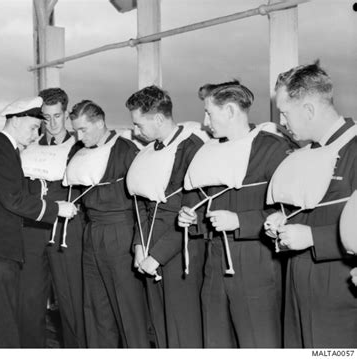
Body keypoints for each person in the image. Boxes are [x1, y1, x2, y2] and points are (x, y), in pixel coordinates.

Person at [177, 81, 296, 348]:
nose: (205, 121)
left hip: (255, 258)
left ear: (230, 111)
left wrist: (241, 221)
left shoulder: (272, 148)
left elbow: (292, 210)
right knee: (215, 337)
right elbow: (200, 200)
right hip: (214, 256)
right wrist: (191, 218)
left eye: (209, 113)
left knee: (259, 339)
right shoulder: (208, 151)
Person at [0, 96, 78, 348]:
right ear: (15, 121)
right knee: (0, 325)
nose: (36, 135)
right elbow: (13, 199)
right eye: (33, 127)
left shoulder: (3, 149)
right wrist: (57, 208)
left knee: (1, 322)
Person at [265, 61, 357, 348]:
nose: (282, 120)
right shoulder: (304, 154)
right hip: (297, 286)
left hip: (340, 293)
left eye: (285, 112)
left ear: (308, 109)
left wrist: (313, 237)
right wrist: (281, 221)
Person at [125, 85, 206, 348]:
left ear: (159, 118)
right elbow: (143, 205)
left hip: (179, 248)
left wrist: (156, 256)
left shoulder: (191, 149)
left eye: (139, 124)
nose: (136, 131)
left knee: (182, 327)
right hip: (149, 247)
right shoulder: (149, 150)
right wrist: (139, 246)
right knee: (159, 326)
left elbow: (193, 210)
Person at [66, 100, 150, 348]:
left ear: (100, 123)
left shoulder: (125, 150)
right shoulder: (79, 152)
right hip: (92, 231)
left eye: (84, 130)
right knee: (95, 307)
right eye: (76, 131)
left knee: (128, 308)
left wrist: (139, 243)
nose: (79, 137)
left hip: (121, 231)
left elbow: (142, 203)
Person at [19, 88, 85, 348]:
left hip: (65, 232)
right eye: (46, 117)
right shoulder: (28, 147)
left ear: (66, 114)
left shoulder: (79, 147)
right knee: (30, 301)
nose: (53, 123)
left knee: (70, 301)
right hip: (32, 232)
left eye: (57, 116)